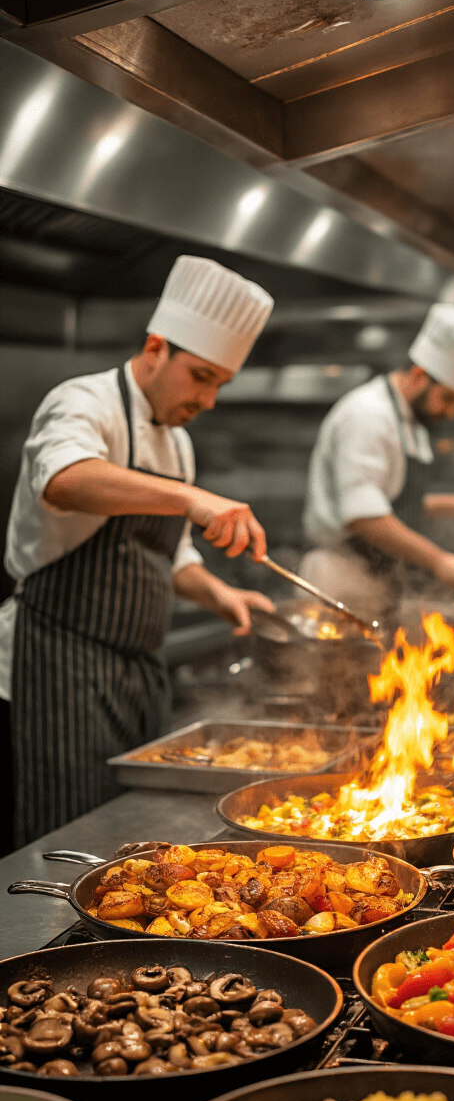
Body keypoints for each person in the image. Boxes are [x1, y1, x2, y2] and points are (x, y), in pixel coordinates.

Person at [0, 255, 276, 849]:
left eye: (220, 385)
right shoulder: (82, 402)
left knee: (130, 831)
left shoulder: (176, 443)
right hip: (59, 664)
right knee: (66, 835)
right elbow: (65, 479)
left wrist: (221, 594)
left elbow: (171, 559)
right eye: (201, 376)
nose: (209, 400)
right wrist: (191, 500)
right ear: (157, 347)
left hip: (136, 671)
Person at [300, 303, 454, 618]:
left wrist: (453, 506)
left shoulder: (410, 420)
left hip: (379, 578)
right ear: (419, 376)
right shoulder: (368, 415)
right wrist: (439, 561)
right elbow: (363, 517)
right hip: (341, 579)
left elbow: (387, 501)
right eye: (448, 398)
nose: (451, 413)